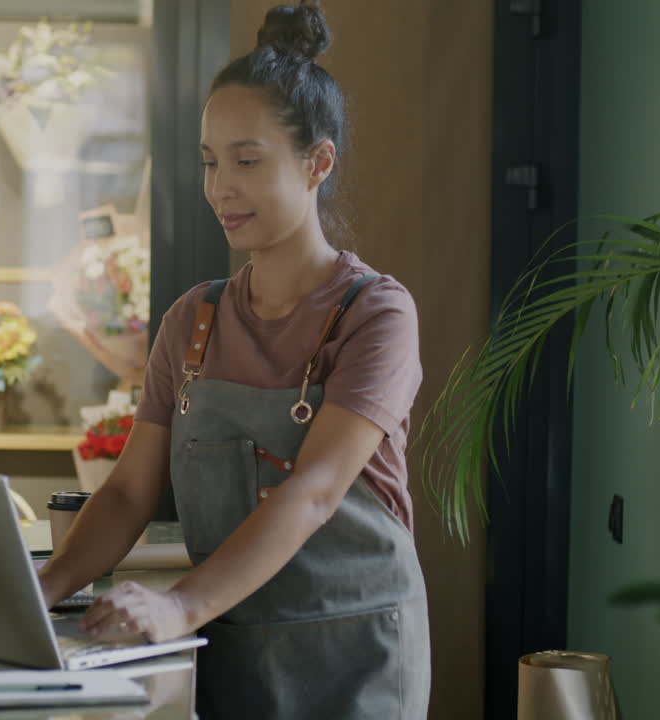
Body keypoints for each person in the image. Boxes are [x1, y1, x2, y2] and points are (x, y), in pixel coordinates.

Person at [38, 3, 431, 718]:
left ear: (318, 162)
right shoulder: (192, 320)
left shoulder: (376, 315)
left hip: (355, 660)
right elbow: (127, 493)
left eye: (247, 161)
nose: (221, 187)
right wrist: (41, 589)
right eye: (211, 162)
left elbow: (313, 492)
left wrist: (179, 605)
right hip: (228, 651)